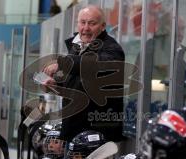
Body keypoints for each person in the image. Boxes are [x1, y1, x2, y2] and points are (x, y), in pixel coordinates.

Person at [42, 4, 125, 145]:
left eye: (92, 23)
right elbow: (78, 83)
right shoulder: (77, 47)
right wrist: (56, 85)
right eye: (82, 22)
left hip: (97, 134)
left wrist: (62, 63)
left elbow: (96, 65)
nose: (86, 28)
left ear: (103, 26)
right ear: (77, 24)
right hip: (75, 131)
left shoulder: (112, 49)